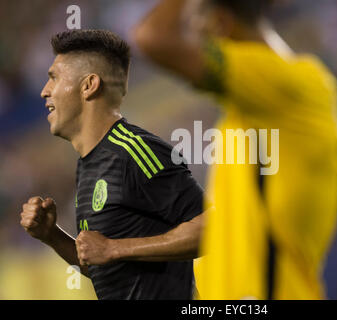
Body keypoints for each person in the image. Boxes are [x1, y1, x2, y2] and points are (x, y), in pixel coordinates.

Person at [133, 0, 337, 299]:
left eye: (195, 21)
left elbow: (154, 38)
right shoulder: (251, 110)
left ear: (220, 23)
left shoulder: (290, 85)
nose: (191, 35)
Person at [19, 29, 205, 300]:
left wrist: (115, 248)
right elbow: (104, 264)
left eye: (54, 78)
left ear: (89, 85)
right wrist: (52, 236)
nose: (44, 91)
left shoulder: (133, 150)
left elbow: (211, 227)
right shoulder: (89, 164)